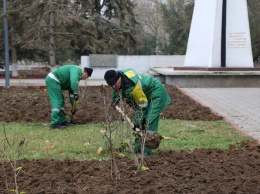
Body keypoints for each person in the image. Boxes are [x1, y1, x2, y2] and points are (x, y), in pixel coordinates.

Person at [104, 68, 170, 155]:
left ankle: (147, 149)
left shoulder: (133, 88)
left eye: (115, 84)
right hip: (145, 94)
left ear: (119, 78)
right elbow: (115, 89)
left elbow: (142, 107)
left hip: (156, 94)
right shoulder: (118, 76)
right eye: (111, 85)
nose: (113, 86)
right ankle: (138, 147)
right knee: (140, 120)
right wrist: (114, 101)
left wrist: (136, 123)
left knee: (149, 119)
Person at [45, 65, 93, 129]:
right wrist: (76, 92)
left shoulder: (77, 78)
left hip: (56, 82)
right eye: (87, 77)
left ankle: (63, 121)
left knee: (61, 102)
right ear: (86, 73)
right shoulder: (77, 70)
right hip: (52, 80)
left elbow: (72, 94)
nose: (85, 78)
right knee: (57, 101)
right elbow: (73, 81)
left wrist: (74, 106)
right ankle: (54, 123)